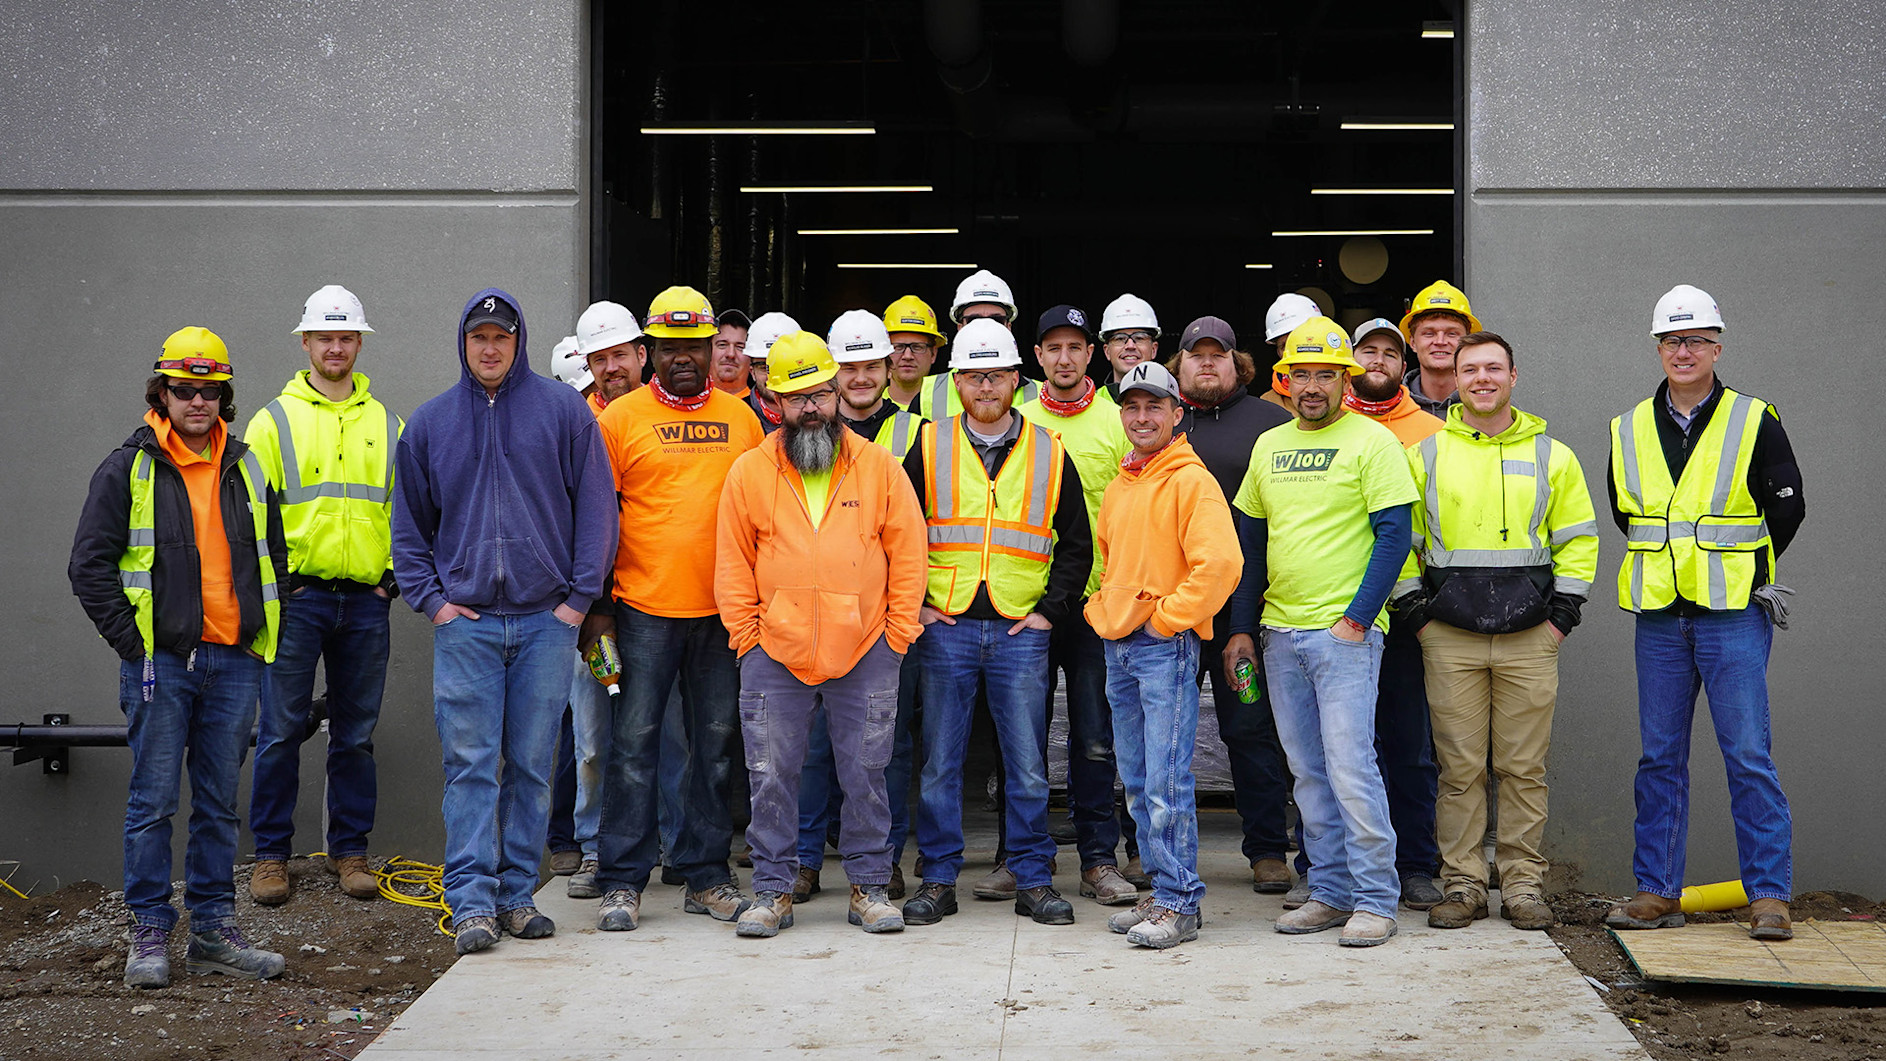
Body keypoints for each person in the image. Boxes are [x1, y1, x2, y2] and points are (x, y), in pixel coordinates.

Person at [391, 289, 618, 955]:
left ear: (519, 343)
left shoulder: (563, 413)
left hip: (546, 623)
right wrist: (433, 602)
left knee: (531, 766)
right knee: (469, 766)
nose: (490, 348)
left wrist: (577, 601)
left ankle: (517, 895)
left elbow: (597, 513)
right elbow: (408, 529)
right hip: (467, 627)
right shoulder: (430, 424)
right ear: (462, 343)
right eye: (478, 337)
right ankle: (471, 903)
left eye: (502, 336)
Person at [70, 326, 288, 987]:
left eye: (210, 390)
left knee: (219, 804)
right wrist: (134, 644)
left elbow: (274, 555)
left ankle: (214, 931)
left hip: (235, 660)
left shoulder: (248, 465)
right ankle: (149, 932)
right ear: (160, 393)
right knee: (154, 801)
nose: (198, 401)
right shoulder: (127, 467)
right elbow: (89, 566)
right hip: (161, 662)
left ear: (224, 397)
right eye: (184, 389)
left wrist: (255, 631)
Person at [1603, 285, 1804, 942]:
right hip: (1660, 615)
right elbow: (1627, 513)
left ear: (1717, 347)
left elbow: (1788, 507)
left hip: (1732, 614)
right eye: (1671, 340)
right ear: (1658, 348)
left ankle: (1769, 895)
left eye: (1695, 340)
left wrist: (1746, 570)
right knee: (1659, 757)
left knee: (1747, 753)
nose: (1682, 351)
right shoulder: (1628, 426)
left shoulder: (1754, 418)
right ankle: (1657, 890)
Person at [716, 331, 928, 937]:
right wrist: (748, 637)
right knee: (770, 773)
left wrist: (895, 636)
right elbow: (731, 562)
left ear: (837, 394)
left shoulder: (878, 466)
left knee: (867, 772)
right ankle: (773, 891)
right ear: (773, 401)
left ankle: (868, 887)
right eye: (796, 397)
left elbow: (909, 555)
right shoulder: (749, 472)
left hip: (866, 647)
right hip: (772, 650)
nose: (811, 407)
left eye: (820, 394)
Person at [1225, 317, 1418, 948]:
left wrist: (1356, 619)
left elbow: (1395, 537)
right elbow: (1252, 547)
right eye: (1301, 374)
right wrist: (1244, 629)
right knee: (1307, 771)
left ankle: (1375, 899)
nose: (1312, 386)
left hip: (1345, 637)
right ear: (1284, 379)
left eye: (1326, 375)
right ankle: (1330, 892)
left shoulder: (1374, 442)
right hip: (1281, 633)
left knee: (1351, 767)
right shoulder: (1269, 446)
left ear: (1345, 380)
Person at [1396, 331, 1599, 931]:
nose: (1481, 379)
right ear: (1454, 381)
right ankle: (1462, 885)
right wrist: (1419, 619)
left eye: (1493, 368)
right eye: (1470, 370)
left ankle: (1522, 886)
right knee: (1459, 770)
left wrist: (1561, 620)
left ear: (1513, 377)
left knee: (1522, 768)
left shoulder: (1553, 455)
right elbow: (1400, 541)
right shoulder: (1426, 455)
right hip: (1448, 637)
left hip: (1531, 637)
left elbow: (1579, 541)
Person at [899, 318, 1092, 929]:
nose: (986, 386)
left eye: (997, 375)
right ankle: (938, 879)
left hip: (1019, 632)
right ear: (957, 382)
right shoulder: (929, 444)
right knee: (940, 764)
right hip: (946, 625)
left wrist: (1049, 612)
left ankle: (1033, 879)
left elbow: (1076, 544)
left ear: (1016, 380)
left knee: (1027, 765)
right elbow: (898, 533)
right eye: (975, 376)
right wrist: (917, 605)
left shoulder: (1049, 450)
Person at [593, 286, 765, 932]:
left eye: (695, 346)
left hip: (722, 613)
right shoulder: (619, 420)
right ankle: (621, 880)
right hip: (641, 611)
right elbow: (596, 520)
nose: (684, 358)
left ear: (712, 348)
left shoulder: (743, 420)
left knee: (715, 748)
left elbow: (761, 517)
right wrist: (598, 609)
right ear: (650, 352)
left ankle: (706, 875)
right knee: (633, 747)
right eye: (670, 348)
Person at [246, 286, 401, 907]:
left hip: (365, 602)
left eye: (346, 338)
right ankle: (270, 857)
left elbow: (408, 512)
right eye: (325, 338)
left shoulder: (387, 424)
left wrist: (390, 578)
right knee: (280, 731)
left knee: (355, 735)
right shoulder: (272, 421)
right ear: (306, 343)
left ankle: (350, 851)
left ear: (359, 343)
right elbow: (248, 517)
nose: (336, 348)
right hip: (297, 601)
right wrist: (275, 589)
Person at [1088, 362, 1241, 949]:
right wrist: (1106, 609)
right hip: (1120, 644)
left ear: (1178, 414)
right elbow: (1109, 562)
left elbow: (1222, 565)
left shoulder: (1191, 481)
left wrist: (1166, 619)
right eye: (1132, 406)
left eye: (1154, 406)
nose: (1142, 416)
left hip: (1163, 646)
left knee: (1166, 781)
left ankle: (1180, 903)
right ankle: (1159, 892)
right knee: (1136, 779)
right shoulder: (1122, 484)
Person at [793, 310, 926, 903]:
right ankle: (804, 859)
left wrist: (903, 624)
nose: (861, 376)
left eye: (871, 365)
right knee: (811, 746)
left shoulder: (920, 433)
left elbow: (920, 535)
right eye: (848, 367)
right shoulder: (803, 430)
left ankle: (882, 860)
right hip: (812, 623)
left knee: (884, 748)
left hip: (882, 624)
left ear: (888, 368)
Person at [1162, 315, 1295, 896]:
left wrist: (1247, 616)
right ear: (1180, 365)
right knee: (1160, 733)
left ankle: (1267, 850)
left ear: (1238, 364)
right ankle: (1148, 851)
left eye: (1219, 355)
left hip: (1243, 615)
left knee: (1249, 728)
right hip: (1171, 613)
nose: (1208, 363)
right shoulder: (1159, 419)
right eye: (1197, 355)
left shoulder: (1272, 425)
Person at [1017, 304, 1136, 906]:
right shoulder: (1018, 421)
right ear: (1037, 356)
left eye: (1075, 347)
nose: (1064, 358)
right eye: (1053, 348)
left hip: (1097, 606)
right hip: (1027, 604)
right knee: (1023, 738)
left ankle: (1098, 861)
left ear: (1092, 354)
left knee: (1095, 740)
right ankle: (1021, 859)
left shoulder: (1119, 421)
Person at [1328, 317, 1447, 911]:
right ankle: (1329, 868)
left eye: (1389, 353)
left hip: (1405, 611)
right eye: (1366, 350)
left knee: (1409, 744)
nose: (1378, 360)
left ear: (1406, 366)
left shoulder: (1433, 430)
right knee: (1341, 749)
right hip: (1339, 609)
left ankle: (1416, 864)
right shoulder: (1325, 428)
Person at [551, 299, 647, 901]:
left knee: (665, 737)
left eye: (620, 355)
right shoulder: (572, 425)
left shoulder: (664, 418)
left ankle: (667, 847)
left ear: (641, 354)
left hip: (658, 605)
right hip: (591, 609)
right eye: (599, 359)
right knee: (590, 741)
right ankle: (593, 848)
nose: (612, 368)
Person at [906, 269, 1040, 417]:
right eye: (974, 320)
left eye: (996, 320)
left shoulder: (1040, 394)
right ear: (960, 328)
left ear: (1009, 327)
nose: (985, 326)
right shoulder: (926, 396)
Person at [1400, 281, 1480, 418]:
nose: (1440, 342)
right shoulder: (1392, 406)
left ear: (1468, 343)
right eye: (1429, 333)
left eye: (1452, 334)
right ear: (1412, 343)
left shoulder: (1492, 406)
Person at [882, 295, 947, 411]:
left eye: (917, 347)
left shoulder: (952, 405)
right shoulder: (871, 406)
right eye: (898, 347)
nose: (907, 356)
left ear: (933, 354)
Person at [1258, 293, 1320, 412]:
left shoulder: (1349, 395)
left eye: (1302, 341)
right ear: (1278, 352)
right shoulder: (1267, 404)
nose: (1295, 352)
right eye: (1286, 346)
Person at [1096, 293, 1161, 397]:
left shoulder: (1170, 401)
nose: (1130, 346)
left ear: (1153, 349)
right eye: (1120, 339)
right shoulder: (1093, 402)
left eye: (1139, 338)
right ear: (1107, 351)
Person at [710, 309, 753, 397]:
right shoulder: (688, 402)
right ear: (707, 350)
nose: (731, 354)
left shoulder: (760, 405)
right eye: (722, 345)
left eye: (740, 347)